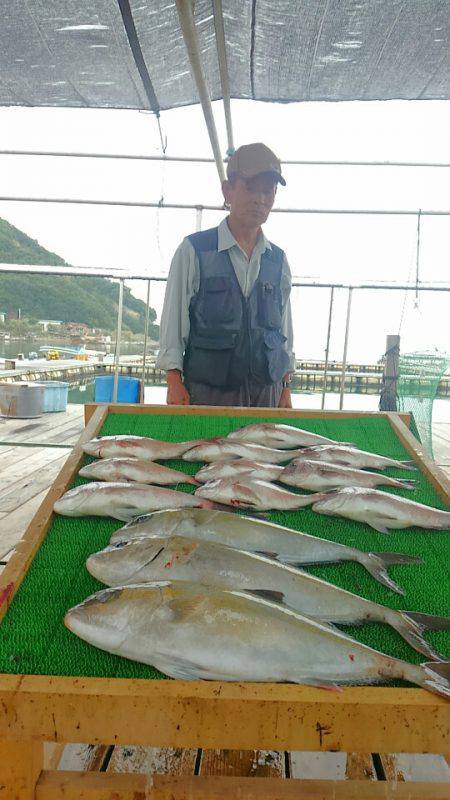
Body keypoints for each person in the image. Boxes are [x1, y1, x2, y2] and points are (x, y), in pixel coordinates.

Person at [156, 142, 295, 408]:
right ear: (227, 190)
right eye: (251, 187)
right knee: (207, 450)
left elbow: (284, 329)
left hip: (267, 392)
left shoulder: (278, 260)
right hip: (209, 391)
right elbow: (173, 321)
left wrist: (285, 388)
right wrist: (173, 381)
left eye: (268, 190)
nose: (260, 198)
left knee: (262, 452)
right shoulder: (193, 250)